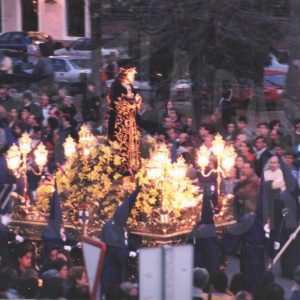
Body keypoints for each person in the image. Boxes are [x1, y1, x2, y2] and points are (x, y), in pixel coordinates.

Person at [107, 67, 142, 174]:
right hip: (120, 122)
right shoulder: (116, 87)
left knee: (132, 144)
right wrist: (133, 104)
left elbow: (138, 101)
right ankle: (121, 169)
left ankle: (132, 167)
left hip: (131, 122)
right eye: (131, 74)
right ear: (125, 74)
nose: (133, 77)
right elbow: (119, 105)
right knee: (121, 145)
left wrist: (134, 104)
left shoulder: (131, 87)